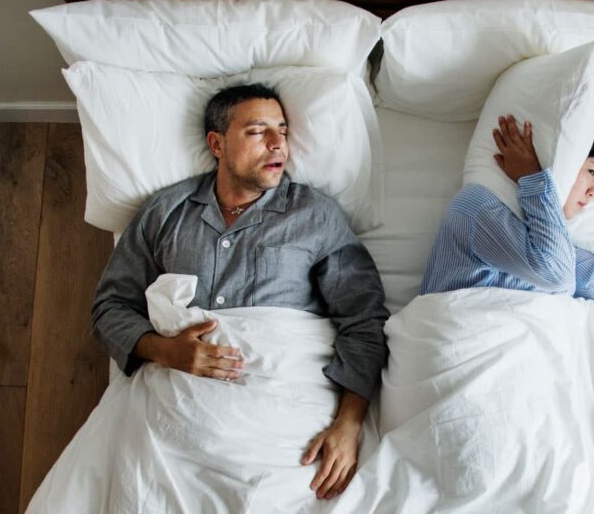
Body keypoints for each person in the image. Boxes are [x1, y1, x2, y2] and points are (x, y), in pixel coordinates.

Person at [91, 83, 389, 501]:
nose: (277, 144)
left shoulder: (316, 216)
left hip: (281, 413)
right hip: (177, 407)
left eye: (282, 131)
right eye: (256, 132)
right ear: (217, 143)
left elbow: (364, 319)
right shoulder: (165, 212)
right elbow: (109, 307)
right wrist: (164, 350)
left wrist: (349, 422)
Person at [419, 112, 594, 301]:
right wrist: (533, 178)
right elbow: (556, 274)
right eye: (592, 172)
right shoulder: (477, 207)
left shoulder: (552, 239)